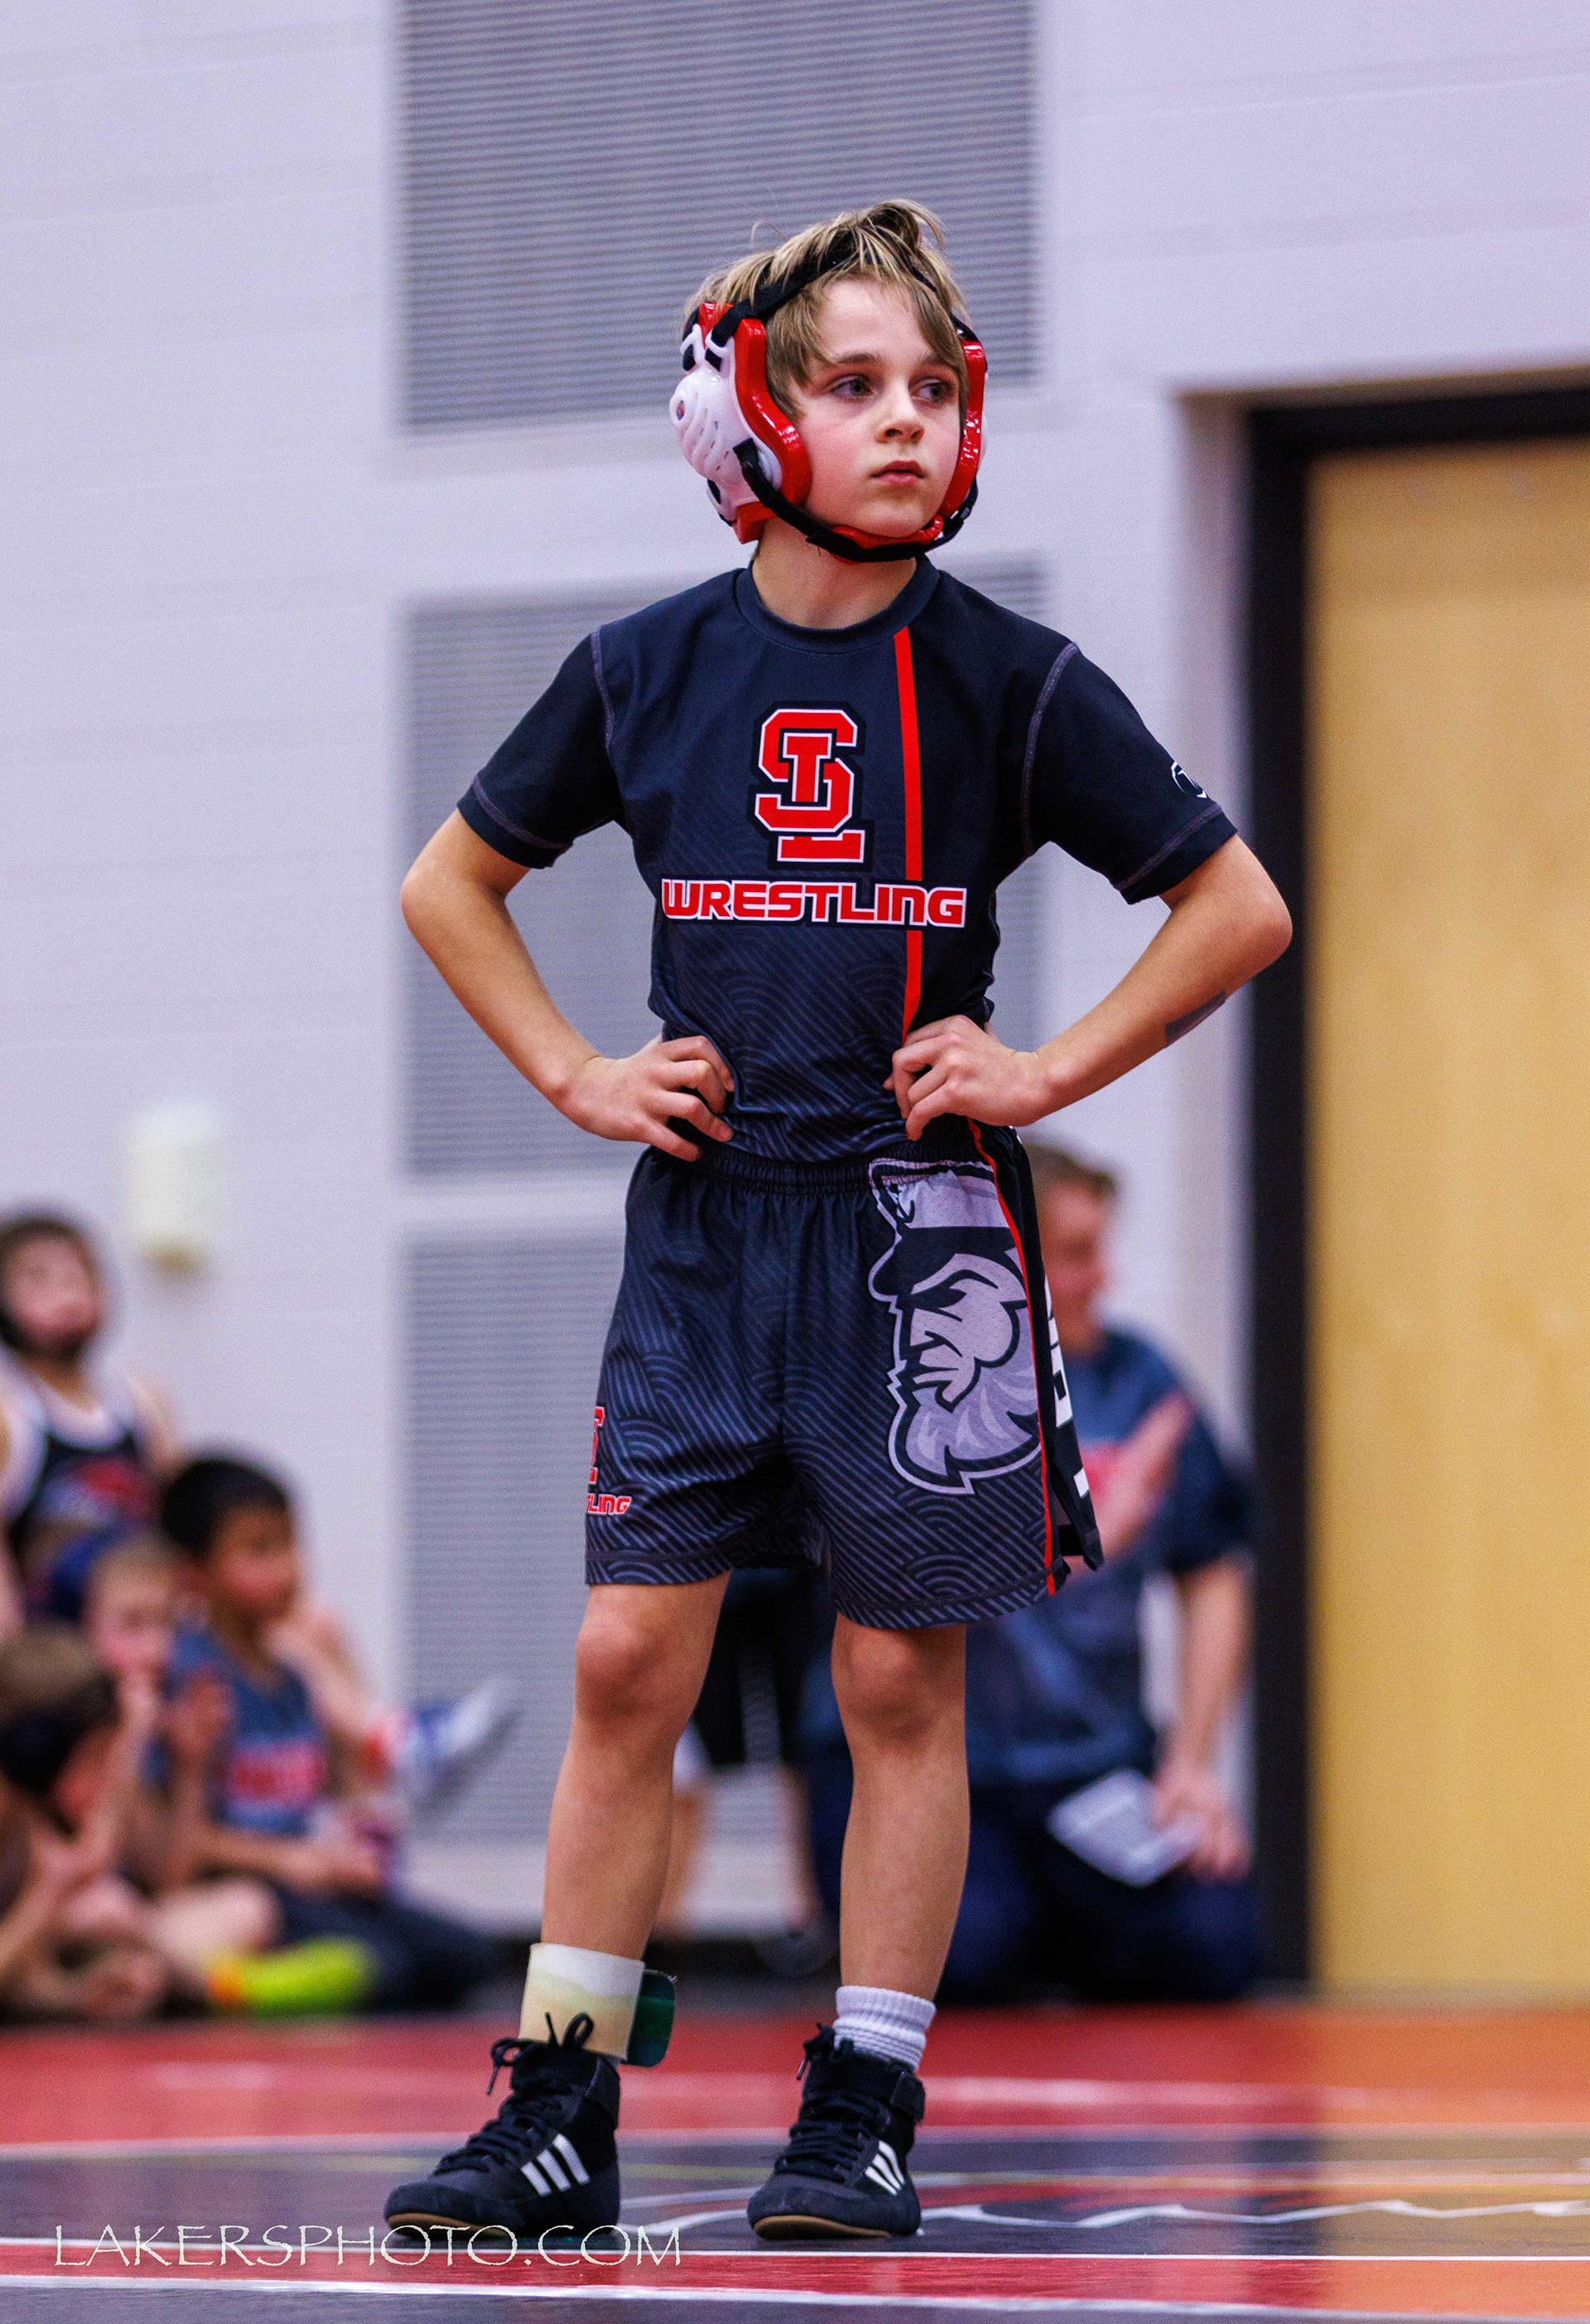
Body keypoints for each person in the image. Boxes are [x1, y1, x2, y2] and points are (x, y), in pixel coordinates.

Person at [383, 198, 1289, 2244]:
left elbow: (1235, 903)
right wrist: (574, 1070)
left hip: (921, 1243)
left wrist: (1044, 1070)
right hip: (708, 1236)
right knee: (628, 1655)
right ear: (750, 417)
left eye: (932, 389)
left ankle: (864, 2097)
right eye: (855, 384)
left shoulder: (1006, 679)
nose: (905, 422)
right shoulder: (644, 668)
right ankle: (559, 2103)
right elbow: (452, 882)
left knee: (894, 1680)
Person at [804, 1143, 1261, 2003]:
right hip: (931, 1766)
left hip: (1089, 1771)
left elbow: (1213, 1571)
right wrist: (1082, 1538)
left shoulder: (1138, 1378)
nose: (1104, 1277)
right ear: (1005, 1263)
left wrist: (1193, 1764)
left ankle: (1062, 1922)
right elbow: (899, 1576)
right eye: (1078, 1255)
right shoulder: (911, 1377)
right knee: (964, 1958)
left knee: (1216, 1944)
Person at [0, 1209, 518, 1806]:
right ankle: (384, 1753)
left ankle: (383, 1765)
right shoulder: (14, 1416)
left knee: (311, 1621)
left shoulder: (139, 1402)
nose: (64, 1295)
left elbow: (184, 1519)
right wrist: (17, 1663)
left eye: (78, 1277)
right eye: (38, 1280)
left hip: (154, 1605)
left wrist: (206, 1598)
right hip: (72, 1630)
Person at [156, 1455, 502, 2013]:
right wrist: (293, 1860)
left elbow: (339, 1791)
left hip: (319, 1881)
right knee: (386, 1969)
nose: (288, 1568)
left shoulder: (296, 1671)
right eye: (258, 1550)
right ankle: (237, 1985)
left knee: (467, 1956)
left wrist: (353, 1842)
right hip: (262, 1889)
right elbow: (184, 1846)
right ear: (196, 1572)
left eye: (291, 1545)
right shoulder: (193, 1678)